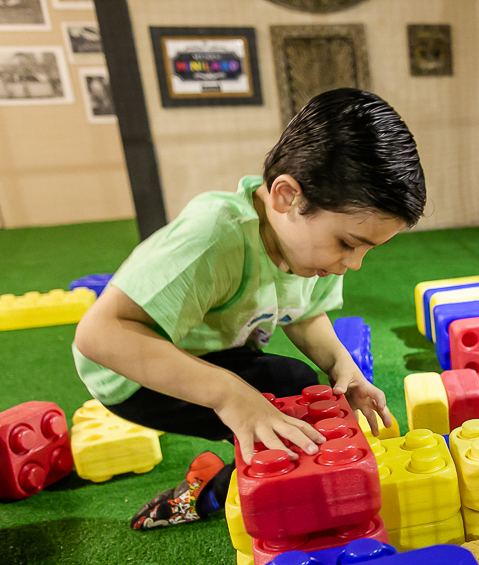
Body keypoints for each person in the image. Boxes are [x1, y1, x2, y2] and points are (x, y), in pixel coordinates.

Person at [73, 88, 425, 529]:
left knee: (297, 390)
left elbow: (306, 313)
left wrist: (342, 364)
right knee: (279, 410)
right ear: (286, 197)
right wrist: (229, 396)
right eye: (348, 244)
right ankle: (207, 494)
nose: (352, 264)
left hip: (211, 351)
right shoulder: (213, 234)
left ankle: (235, 467)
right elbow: (98, 336)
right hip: (131, 371)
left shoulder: (299, 245)